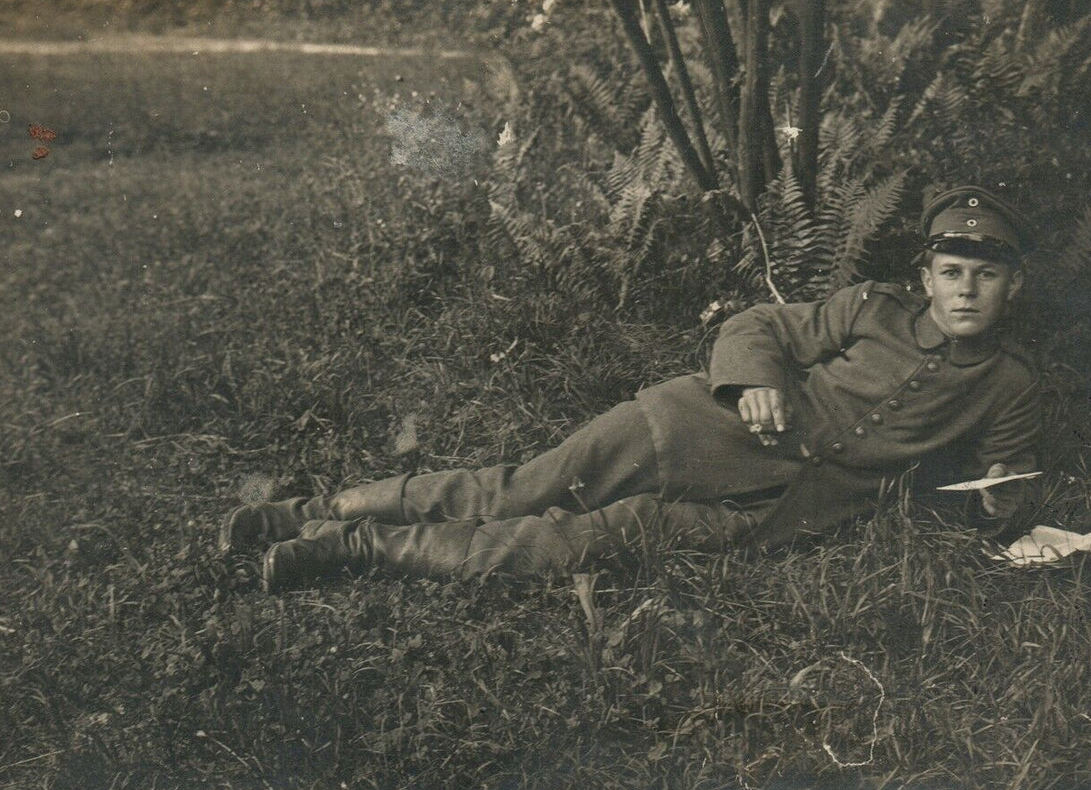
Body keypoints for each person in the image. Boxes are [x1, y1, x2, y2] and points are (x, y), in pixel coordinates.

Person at [220, 186, 1041, 592]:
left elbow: (1003, 477)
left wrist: (1004, 514)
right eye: (950, 272)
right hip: (691, 428)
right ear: (924, 277)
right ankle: (319, 509)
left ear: (1013, 288)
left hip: (762, 511)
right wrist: (753, 382)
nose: (965, 291)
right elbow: (757, 326)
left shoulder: (1007, 382)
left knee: (571, 542)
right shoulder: (868, 307)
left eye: (985, 276)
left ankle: (354, 548)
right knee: (523, 486)